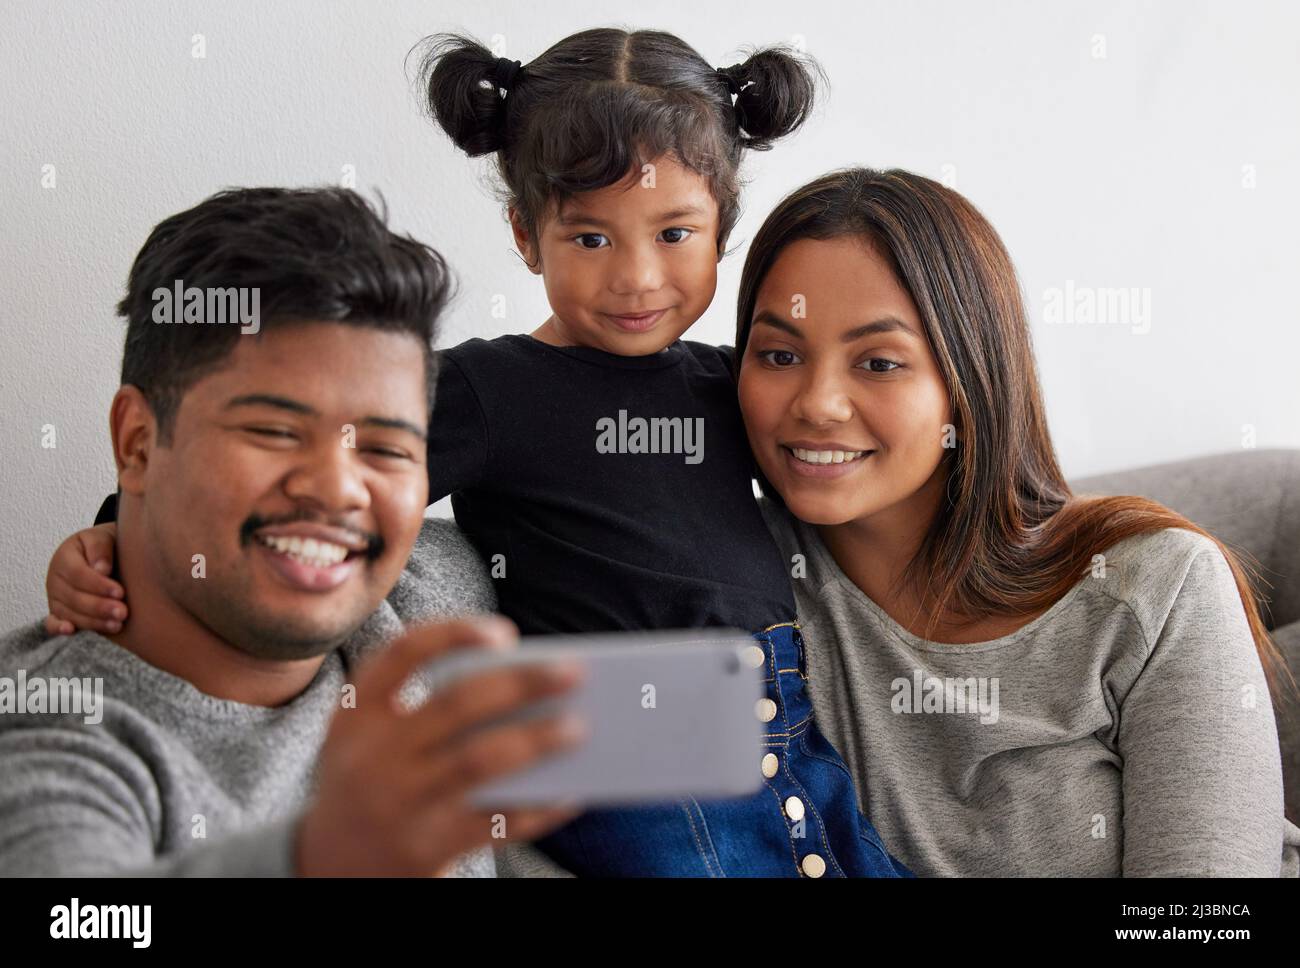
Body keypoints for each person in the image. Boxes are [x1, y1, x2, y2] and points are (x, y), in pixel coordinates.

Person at [45, 28, 911, 878]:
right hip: (623, 749)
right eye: (590, 238)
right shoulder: (491, 389)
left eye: (674, 234)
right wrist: (119, 532)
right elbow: (318, 459)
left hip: (783, 721)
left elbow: (841, 454)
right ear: (526, 236)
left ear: (722, 227)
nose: (638, 277)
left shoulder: (734, 383)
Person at [3, 186, 586, 876]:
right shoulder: (48, 730)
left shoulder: (436, 594)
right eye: (275, 432)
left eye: (385, 449)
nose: (339, 488)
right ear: (137, 444)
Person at [735, 167, 1300, 875]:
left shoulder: (1154, 583)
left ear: (971, 381)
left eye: (878, 362)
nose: (818, 402)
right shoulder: (725, 579)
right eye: (779, 355)